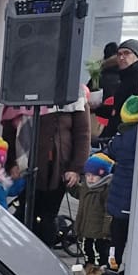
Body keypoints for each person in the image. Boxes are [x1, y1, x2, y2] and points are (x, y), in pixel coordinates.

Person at [17, 95, 90, 247]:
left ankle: (44, 252)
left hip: (57, 168)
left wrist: (75, 168)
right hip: (26, 165)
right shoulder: (25, 91)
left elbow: (83, 134)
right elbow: (11, 128)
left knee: (48, 216)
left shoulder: (75, 96)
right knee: (24, 213)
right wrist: (12, 162)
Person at [95, 95, 138, 275]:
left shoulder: (122, 138)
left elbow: (111, 151)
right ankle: (133, 272)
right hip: (137, 197)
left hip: (120, 199)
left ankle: (112, 271)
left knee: (117, 239)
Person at [72, 152, 114, 275]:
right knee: (86, 248)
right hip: (85, 226)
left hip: (98, 230)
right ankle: (89, 265)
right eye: (88, 175)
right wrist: (70, 185)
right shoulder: (86, 186)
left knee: (99, 250)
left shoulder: (106, 189)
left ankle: (99, 268)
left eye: (94, 176)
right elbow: (78, 193)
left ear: (103, 175)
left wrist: (106, 230)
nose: (90, 178)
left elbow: (108, 212)